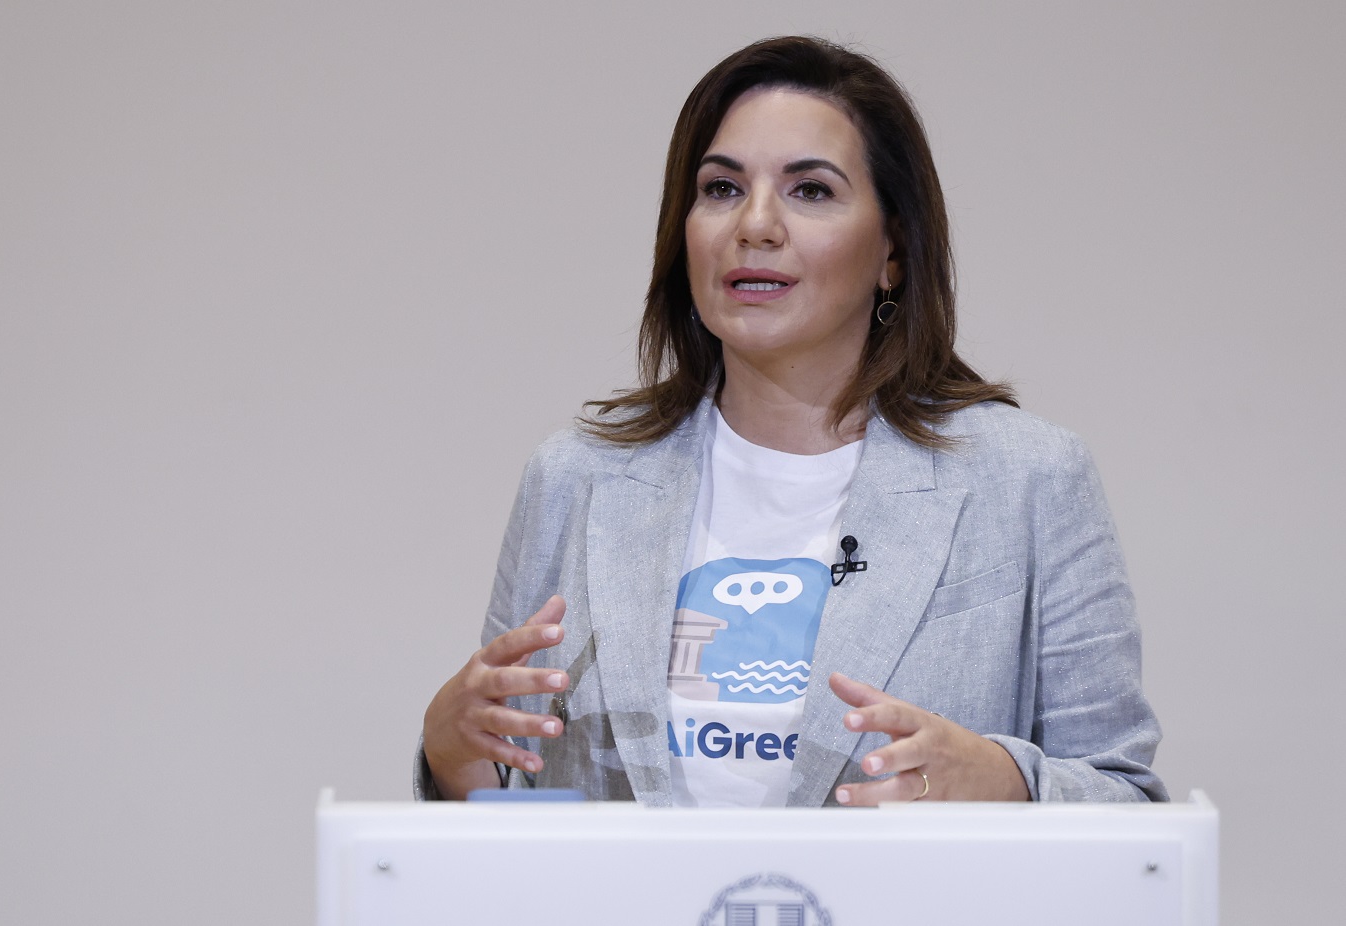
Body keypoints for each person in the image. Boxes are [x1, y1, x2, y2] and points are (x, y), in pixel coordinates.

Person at [415, 36, 1166, 806]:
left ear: (894, 249)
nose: (756, 224)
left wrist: (1007, 781)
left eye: (810, 190)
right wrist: (451, 756)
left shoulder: (1029, 479)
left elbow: (1127, 802)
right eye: (721, 188)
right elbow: (508, 800)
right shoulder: (575, 477)